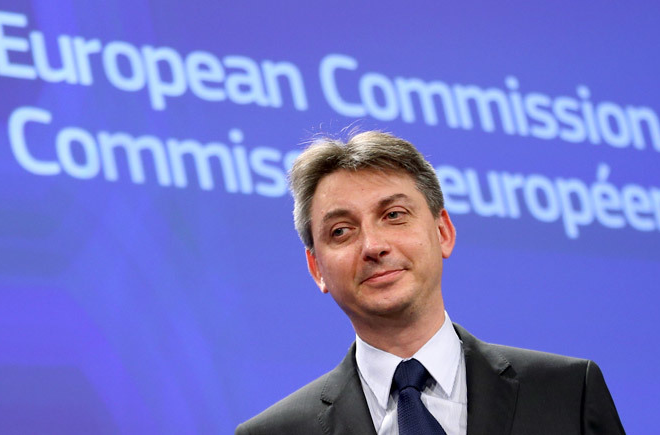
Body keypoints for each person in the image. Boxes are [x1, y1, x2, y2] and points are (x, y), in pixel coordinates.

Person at [236, 131, 625, 435]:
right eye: (341, 231)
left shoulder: (567, 394)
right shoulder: (273, 434)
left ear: (443, 232)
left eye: (394, 215)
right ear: (316, 268)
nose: (373, 246)